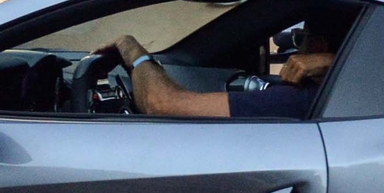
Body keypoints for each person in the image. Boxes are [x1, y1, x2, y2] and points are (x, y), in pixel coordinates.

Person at [101, 30, 335, 119]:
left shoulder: (301, 100)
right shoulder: (342, 103)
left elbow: (161, 104)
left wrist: (131, 49)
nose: (295, 48)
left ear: (318, 44)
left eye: (299, 38)